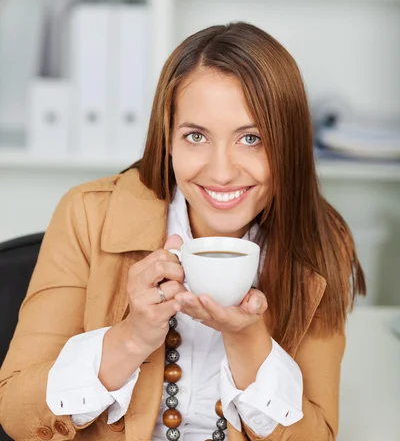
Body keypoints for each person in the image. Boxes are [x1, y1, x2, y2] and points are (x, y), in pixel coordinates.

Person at [0, 22, 366, 441]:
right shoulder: (88, 214)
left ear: (289, 143)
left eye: (251, 138)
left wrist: (247, 339)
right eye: (196, 136)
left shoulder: (321, 240)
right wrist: (130, 339)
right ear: (168, 140)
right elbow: (15, 413)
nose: (223, 172)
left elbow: (318, 435)